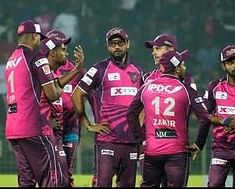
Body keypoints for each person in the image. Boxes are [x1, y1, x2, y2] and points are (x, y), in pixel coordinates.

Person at [127, 50, 225, 187]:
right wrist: (198, 144)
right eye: (183, 65)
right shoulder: (186, 89)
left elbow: (130, 115)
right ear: (177, 68)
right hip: (177, 153)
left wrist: (142, 139)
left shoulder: (146, 87)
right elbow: (205, 118)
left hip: (152, 151)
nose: (185, 68)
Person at [71, 27, 143, 187]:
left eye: (120, 43)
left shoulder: (137, 71)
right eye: (112, 43)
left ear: (128, 44)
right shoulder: (98, 69)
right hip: (107, 141)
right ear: (107, 47)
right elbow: (76, 94)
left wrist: (140, 127)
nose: (116, 46)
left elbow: (143, 102)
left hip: (131, 142)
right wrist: (88, 125)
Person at [4, 20, 63, 187]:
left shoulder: (11, 61)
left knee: (26, 180)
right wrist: (60, 82)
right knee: (51, 177)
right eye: (39, 37)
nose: (40, 41)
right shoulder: (36, 58)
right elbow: (52, 95)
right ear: (33, 36)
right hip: (34, 126)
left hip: (14, 128)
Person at [140, 33, 197, 186]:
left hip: (176, 147)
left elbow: (190, 112)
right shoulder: (147, 77)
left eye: (157, 48)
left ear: (171, 50)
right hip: (150, 146)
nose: (153, 52)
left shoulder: (186, 80)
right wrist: (141, 139)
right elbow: (139, 111)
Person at [201, 45, 235, 187]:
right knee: (214, 185)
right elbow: (204, 114)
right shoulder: (214, 87)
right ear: (223, 65)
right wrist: (223, 120)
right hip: (221, 148)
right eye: (230, 62)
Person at [39, 29, 85, 187]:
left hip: (71, 128)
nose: (65, 47)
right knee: (52, 171)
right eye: (61, 44)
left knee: (66, 172)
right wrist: (45, 120)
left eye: (65, 44)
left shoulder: (75, 69)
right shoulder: (42, 70)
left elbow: (90, 93)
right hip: (52, 129)